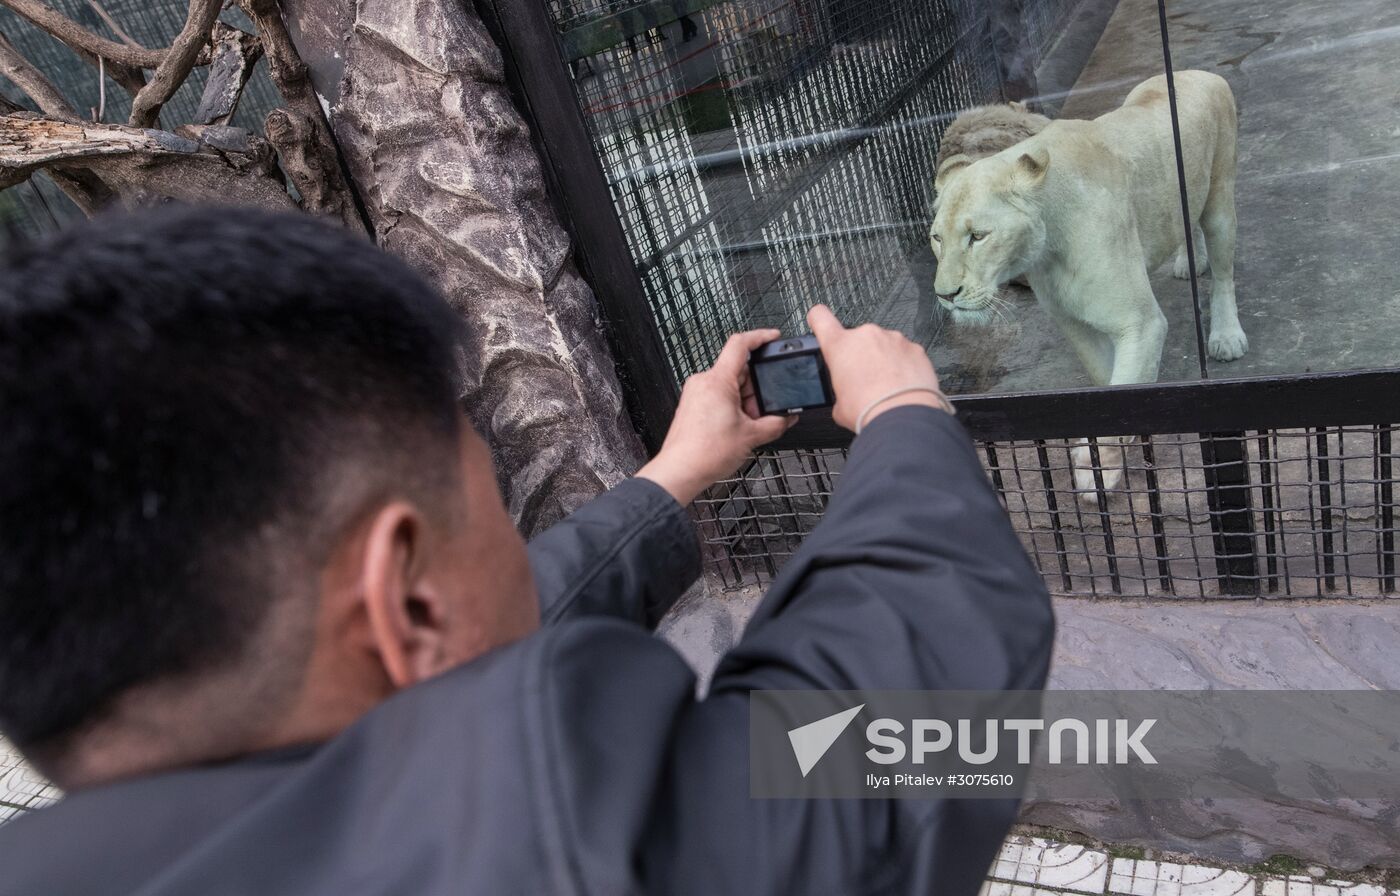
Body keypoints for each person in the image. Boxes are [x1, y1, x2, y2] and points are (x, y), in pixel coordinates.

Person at [0, 205, 1054, 894]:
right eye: (497, 517)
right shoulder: (566, 857)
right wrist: (907, 409)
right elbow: (920, 705)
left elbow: (451, 668)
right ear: (402, 600)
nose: (517, 540)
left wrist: (669, 479)